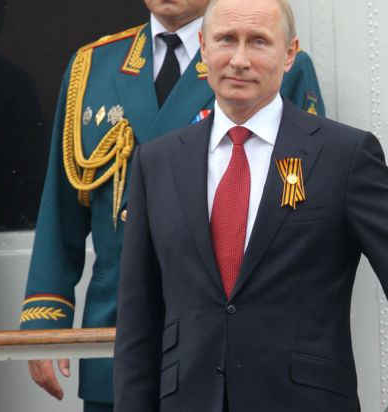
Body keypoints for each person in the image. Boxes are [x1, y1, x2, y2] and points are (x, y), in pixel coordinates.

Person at [113, 0, 388, 411]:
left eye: (258, 42)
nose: (239, 60)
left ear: (289, 54)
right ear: (203, 47)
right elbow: (137, 319)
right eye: (226, 40)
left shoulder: (344, 156)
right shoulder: (156, 163)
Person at [19, 0, 325, 410]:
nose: (240, 53)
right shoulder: (93, 66)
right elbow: (62, 208)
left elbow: (297, 212)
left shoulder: (269, 61)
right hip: (116, 335)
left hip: (231, 348)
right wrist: (45, 316)